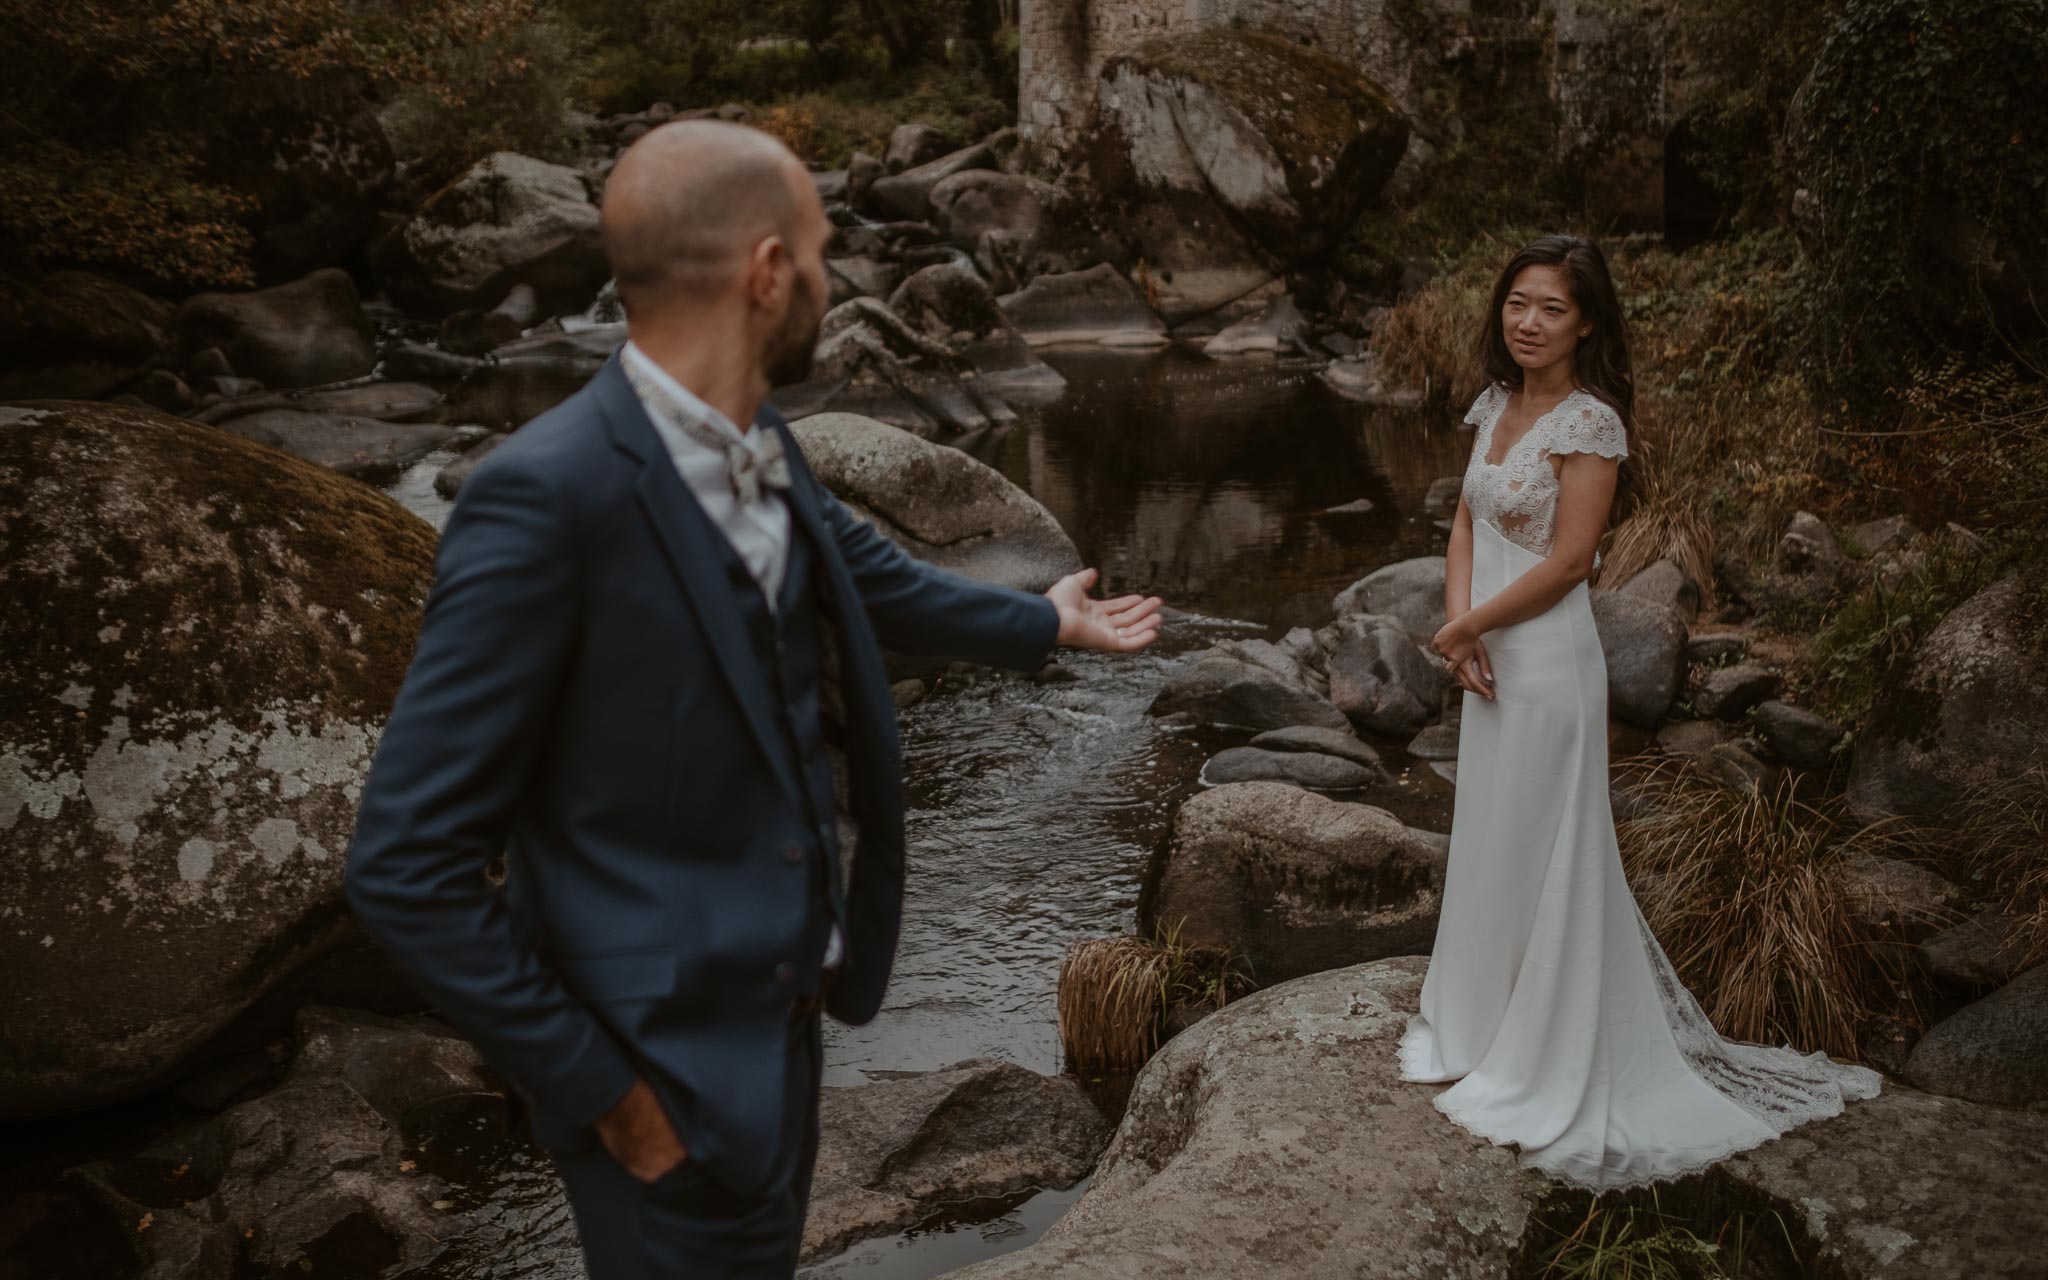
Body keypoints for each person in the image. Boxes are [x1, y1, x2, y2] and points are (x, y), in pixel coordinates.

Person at [343, 120, 1164, 1278]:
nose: (830, 279)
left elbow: (860, 573)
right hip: (656, 1077)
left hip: (781, 1024)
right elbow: (403, 861)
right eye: (821, 252)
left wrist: (1042, 619)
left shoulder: (756, 437)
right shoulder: (542, 499)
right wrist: (608, 1098)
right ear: (768, 272)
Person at [1398, 233, 1878, 1189]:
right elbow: (1464, 521)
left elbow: (1571, 562)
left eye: (1553, 309)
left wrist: (1470, 633)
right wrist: (1461, 626)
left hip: (1545, 664)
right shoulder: (1496, 404)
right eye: (1518, 302)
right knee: (1490, 834)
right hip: (1490, 652)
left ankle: (1546, 1054)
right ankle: (1478, 1022)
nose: (1529, 322)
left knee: (1545, 842)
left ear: (1588, 324)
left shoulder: (1590, 423)